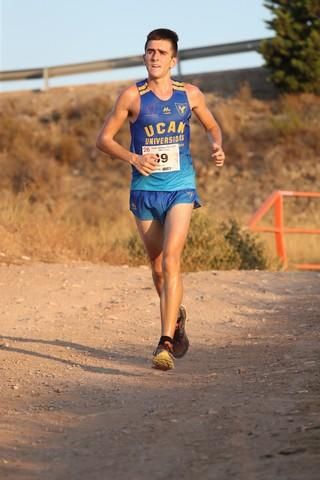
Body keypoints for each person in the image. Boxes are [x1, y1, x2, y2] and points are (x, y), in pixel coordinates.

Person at [96, 28, 225, 371]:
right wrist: (133, 158)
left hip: (181, 186)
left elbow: (212, 126)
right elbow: (103, 139)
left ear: (173, 59)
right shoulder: (131, 96)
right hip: (144, 189)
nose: (155, 57)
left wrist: (216, 144)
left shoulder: (190, 95)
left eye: (161, 52)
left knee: (171, 261)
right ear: (144, 57)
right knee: (157, 270)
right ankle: (177, 317)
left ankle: (164, 342)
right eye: (150, 51)